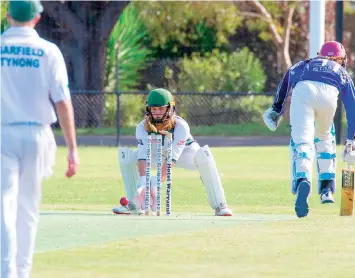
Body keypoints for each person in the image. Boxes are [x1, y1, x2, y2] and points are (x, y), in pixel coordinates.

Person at [1, 1, 79, 277]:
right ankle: (22, 272)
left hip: (2, 133)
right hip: (36, 134)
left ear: (8, 16)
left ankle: (6, 271)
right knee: (28, 208)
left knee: (3, 206)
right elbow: (62, 101)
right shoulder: (48, 51)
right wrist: (72, 148)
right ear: (37, 18)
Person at [263, 41, 355, 218]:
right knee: (325, 137)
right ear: (339, 59)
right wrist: (351, 138)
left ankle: (303, 179)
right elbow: (352, 106)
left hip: (304, 91)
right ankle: (326, 188)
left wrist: (277, 109)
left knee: (302, 141)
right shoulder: (341, 71)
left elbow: (287, 79)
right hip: (329, 95)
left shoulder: (305, 64)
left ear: (320, 54)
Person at [112, 88, 232, 216]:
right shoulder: (142, 127)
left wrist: (157, 181)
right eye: (154, 109)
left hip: (184, 154)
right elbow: (143, 156)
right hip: (156, 154)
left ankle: (220, 204)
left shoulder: (181, 126)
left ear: (170, 108)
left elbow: (171, 158)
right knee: (128, 158)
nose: (157, 113)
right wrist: (143, 181)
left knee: (204, 156)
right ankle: (135, 203)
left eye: (161, 109)